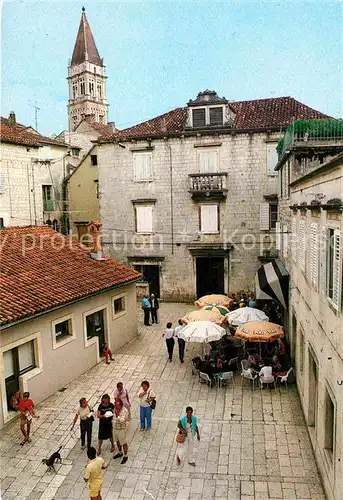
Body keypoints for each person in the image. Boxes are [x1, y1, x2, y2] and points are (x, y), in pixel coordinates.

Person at [113, 397, 130, 464]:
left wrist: (117, 415)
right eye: (115, 406)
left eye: (117, 406)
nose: (115, 408)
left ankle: (125, 456)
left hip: (121, 429)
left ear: (120, 405)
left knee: (123, 443)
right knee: (117, 441)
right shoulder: (115, 408)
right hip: (115, 428)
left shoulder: (124, 411)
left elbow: (122, 421)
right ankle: (120, 452)